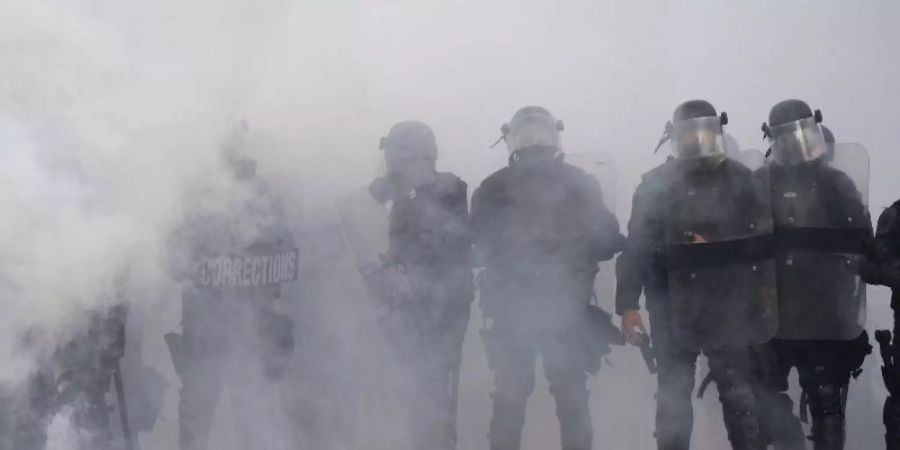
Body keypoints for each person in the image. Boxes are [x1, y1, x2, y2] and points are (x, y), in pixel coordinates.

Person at [618, 100, 771, 450]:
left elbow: (763, 242)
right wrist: (627, 305)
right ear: (676, 137)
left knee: (738, 395)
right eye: (689, 134)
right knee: (673, 397)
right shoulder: (655, 185)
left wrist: (722, 249)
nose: (696, 141)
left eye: (703, 132)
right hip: (670, 303)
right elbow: (637, 247)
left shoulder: (741, 180)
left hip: (728, 301)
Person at [472, 106, 624, 450]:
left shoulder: (494, 187)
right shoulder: (577, 183)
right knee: (566, 401)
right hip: (550, 310)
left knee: (515, 400)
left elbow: (477, 247)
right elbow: (608, 241)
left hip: (539, 310)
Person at [167, 124, 298, 450]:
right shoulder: (196, 199)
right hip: (207, 331)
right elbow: (174, 259)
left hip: (252, 330)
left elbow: (286, 259)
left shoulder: (261, 197)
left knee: (252, 414)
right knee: (202, 414)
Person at [753, 100, 872, 450]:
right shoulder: (759, 183)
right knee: (763, 400)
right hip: (772, 309)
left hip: (824, 311)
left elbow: (861, 240)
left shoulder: (835, 184)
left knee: (826, 406)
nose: (795, 144)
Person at [366, 121, 474, 450]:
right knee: (416, 394)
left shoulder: (448, 188)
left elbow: (442, 242)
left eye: (398, 155)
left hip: (443, 309)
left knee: (437, 398)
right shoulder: (402, 194)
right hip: (408, 308)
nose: (393, 163)